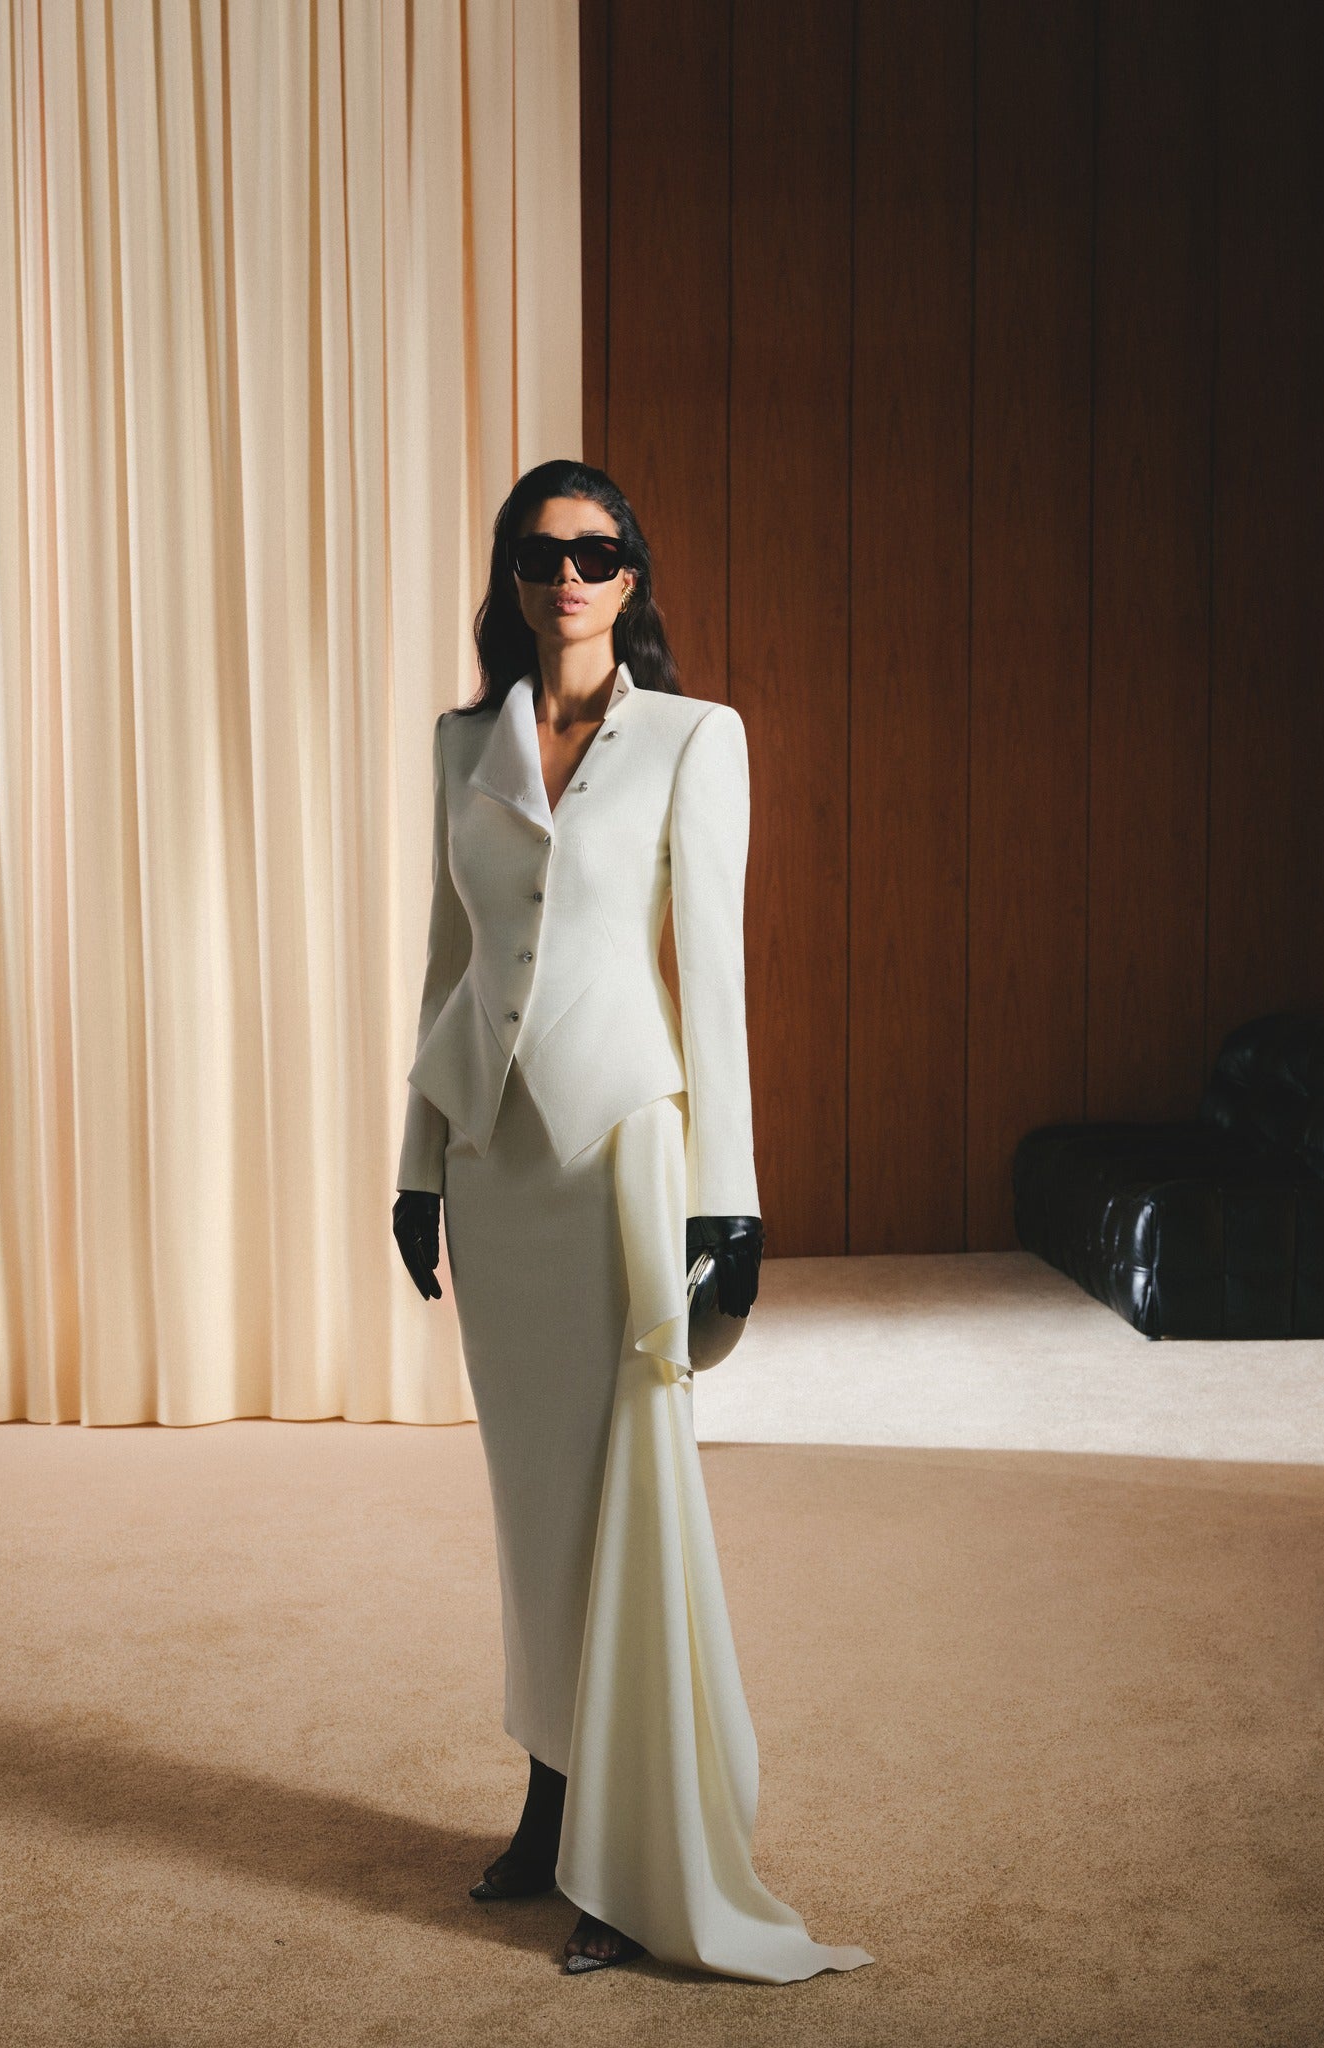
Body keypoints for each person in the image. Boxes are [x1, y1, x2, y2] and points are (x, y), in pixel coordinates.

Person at [391, 458, 873, 1983]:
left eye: (598, 551)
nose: (571, 576)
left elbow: (710, 980)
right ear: (512, 575)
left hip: (618, 1159)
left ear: (633, 574)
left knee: (628, 1502)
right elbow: (443, 963)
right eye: (544, 553)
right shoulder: (464, 739)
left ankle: (630, 1841)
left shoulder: (691, 737)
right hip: (492, 1165)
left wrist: (729, 1200)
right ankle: (548, 1803)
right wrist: (414, 1162)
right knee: (534, 1512)